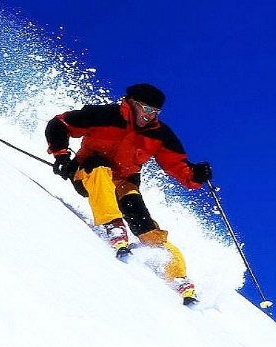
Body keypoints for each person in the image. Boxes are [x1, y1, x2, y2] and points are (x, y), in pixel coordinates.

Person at [44, 83, 212, 305]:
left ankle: (177, 275)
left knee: (141, 216)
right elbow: (59, 123)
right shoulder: (104, 115)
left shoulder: (159, 134)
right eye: (146, 108)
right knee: (100, 166)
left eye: (155, 112)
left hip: (123, 182)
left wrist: (196, 175)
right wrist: (62, 155)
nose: (149, 116)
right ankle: (113, 225)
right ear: (131, 102)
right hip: (88, 173)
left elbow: (177, 165)